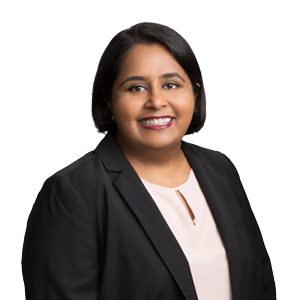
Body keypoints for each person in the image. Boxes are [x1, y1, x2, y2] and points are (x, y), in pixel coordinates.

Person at [22, 22, 276, 300]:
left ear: (195, 91)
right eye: (136, 88)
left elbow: (261, 281)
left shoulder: (220, 168)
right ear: (108, 99)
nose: (156, 101)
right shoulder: (72, 194)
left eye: (171, 84)